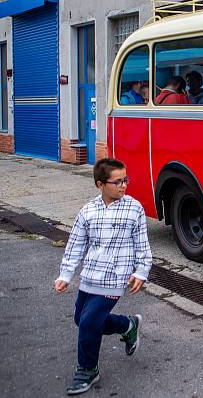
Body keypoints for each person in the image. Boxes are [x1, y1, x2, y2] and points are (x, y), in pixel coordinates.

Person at [54, 158, 153, 395]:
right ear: (100, 184)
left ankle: (87, 370)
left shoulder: (134, 208)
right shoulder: (88, 211)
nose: (123, 185)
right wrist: (66, 274)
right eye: (117, 181)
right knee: (82, 319)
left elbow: (143, 246)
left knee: (89, 322)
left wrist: (141, 271)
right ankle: (128, 325)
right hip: (90, 275)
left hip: (116, 277)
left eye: (125, 180)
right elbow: (76, 244)